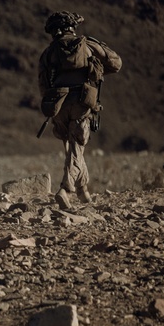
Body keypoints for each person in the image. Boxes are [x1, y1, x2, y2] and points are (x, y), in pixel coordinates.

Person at [37, 11, 122, 210]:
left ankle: (83, 191)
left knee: (72, 147)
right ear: (71, 28)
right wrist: (98, 68)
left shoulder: (48, 52)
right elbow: (116, 64)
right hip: (82, 102)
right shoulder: (88, 45)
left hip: (57, 104)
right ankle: (65, 189)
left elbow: (43, 84)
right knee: (77, 146)